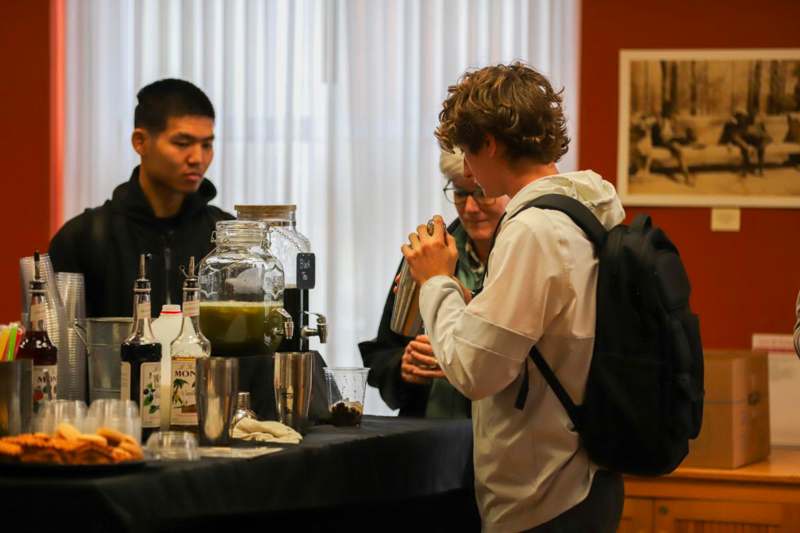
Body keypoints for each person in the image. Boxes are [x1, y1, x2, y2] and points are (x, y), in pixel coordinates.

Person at [402, 63, 625, 532]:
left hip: (546, 491)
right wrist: (465, 299)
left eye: (467, 151)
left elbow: (475, 371)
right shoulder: (585, 209)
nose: (465, 170)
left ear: (489, 143)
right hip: (584, 471)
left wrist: (436, 281)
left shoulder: (532, 228)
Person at [49, 79, 233, 317]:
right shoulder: (83, 239)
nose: (198, 158)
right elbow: (61, 345)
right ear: (140, 142)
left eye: (207, 145)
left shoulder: (224, 240)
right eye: (182, 143)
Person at [359, 149, 509, 418]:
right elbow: (383, 351)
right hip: (427, 437)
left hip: (494, 435)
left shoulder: (522, 256)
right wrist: (403, 367)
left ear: (508, 189)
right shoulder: (427, 253)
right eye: (460, 193)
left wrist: (460, 362)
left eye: (482, 193)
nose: (471, 208)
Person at [651, 102, 694, 185]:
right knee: (679, 151)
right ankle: (687, 178)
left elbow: (670, 133)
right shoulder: (661, 121)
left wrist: (677, 136)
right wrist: (673, 138)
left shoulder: (669, 121)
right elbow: (663, 136)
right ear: (668, 112)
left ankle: (692, 143)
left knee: (685, 139)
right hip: (663, 142)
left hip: (669, 139)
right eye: (672, 112)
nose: (674, 114)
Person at [720, 109, 770, 176]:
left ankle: (760, 169)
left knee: (760, 147)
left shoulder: (756, 123)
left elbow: (764, 135)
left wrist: (756, 147)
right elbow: (729, 135)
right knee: (745, 148)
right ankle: (745, 169)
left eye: (743, 116)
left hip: (750, 141)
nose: (742, 118)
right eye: (740, 116)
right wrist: (729, 142)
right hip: (741, 141)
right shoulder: (732, 123)